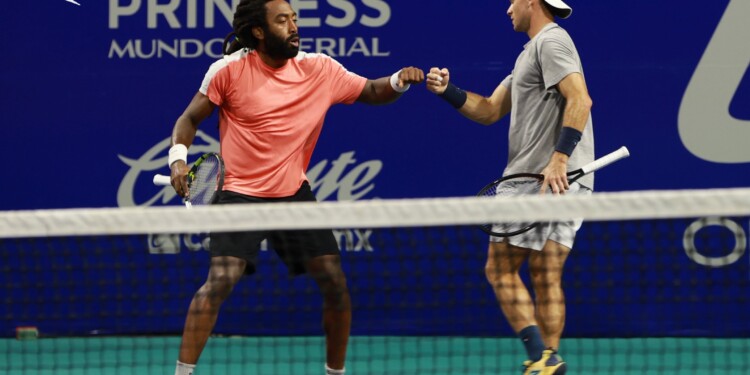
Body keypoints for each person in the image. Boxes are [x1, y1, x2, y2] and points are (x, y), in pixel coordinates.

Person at [166, 1, 424, 374]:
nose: (293, 27)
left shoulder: (319, 69)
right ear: (259, 31)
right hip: (239, 195)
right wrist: (178, 159)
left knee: (335, 283)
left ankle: (335, 372)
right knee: (220, 280)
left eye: (294, 19)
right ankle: (182, 373)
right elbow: (189, 118)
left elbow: (370, 90)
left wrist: (398, 81)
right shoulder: (227, 71)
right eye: (282, 20)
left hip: (293, 194)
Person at [425, 0, 593, 374]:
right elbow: (487, 110)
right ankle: (549, 362)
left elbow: (580, 98)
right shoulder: (530, 54)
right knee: (547, 274)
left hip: (541, 177)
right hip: (565, 179)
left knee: (499, 270)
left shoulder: (551, 43)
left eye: (513, 1)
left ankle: (538, 355)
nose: (507, 9)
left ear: (532, 2)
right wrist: (447, 90)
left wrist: (559, 158)